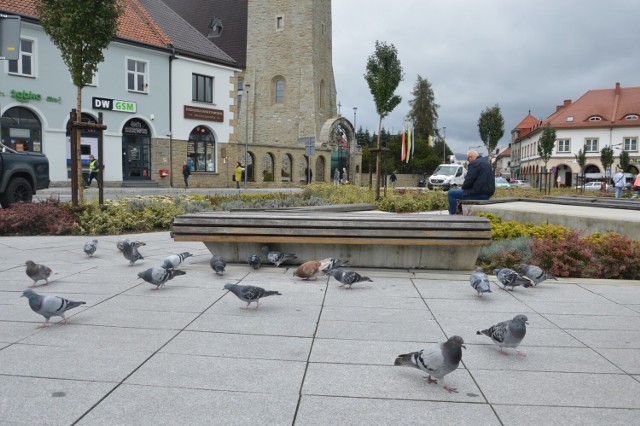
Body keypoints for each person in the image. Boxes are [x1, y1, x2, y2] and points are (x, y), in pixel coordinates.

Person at [447, 150, 495, 215]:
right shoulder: (486, 163)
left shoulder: (474, 163)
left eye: (468, 159)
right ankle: (459, 211)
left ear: (470, 157)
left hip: (479, 194)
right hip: (488, 194)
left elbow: (469, 181)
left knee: (451, 193)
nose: (468, 161)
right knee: (462, 193)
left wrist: (463, 188)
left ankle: (452, 214)